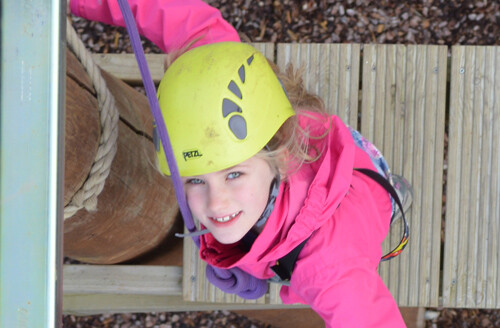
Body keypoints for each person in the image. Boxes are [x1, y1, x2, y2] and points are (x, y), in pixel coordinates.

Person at [69, 0, 413, 326]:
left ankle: (391, 196)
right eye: (195, 180)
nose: (216, 203)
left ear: (282, 157)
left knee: (376, 199)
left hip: (359, 188)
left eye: (233, 173)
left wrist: (258, 264)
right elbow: (167, 10)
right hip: (324, 153)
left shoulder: (330, 269)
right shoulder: (214, 78)